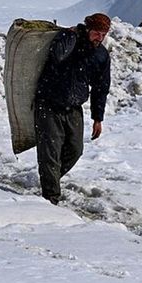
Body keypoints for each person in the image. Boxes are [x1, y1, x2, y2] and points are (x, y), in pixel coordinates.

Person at [34, 13, 111, 204]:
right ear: (88, 29)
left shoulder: (101, 55)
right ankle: (50, 198)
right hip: (49, 102)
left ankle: (50, 180)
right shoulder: (68, 39)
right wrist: (71, 36)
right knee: (51, 150)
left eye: (103, 35)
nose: (99, 38)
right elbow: (57, 55)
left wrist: (98, 117)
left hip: (74, 107)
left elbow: (101, 88)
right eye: (96, 33)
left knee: (75, 150)